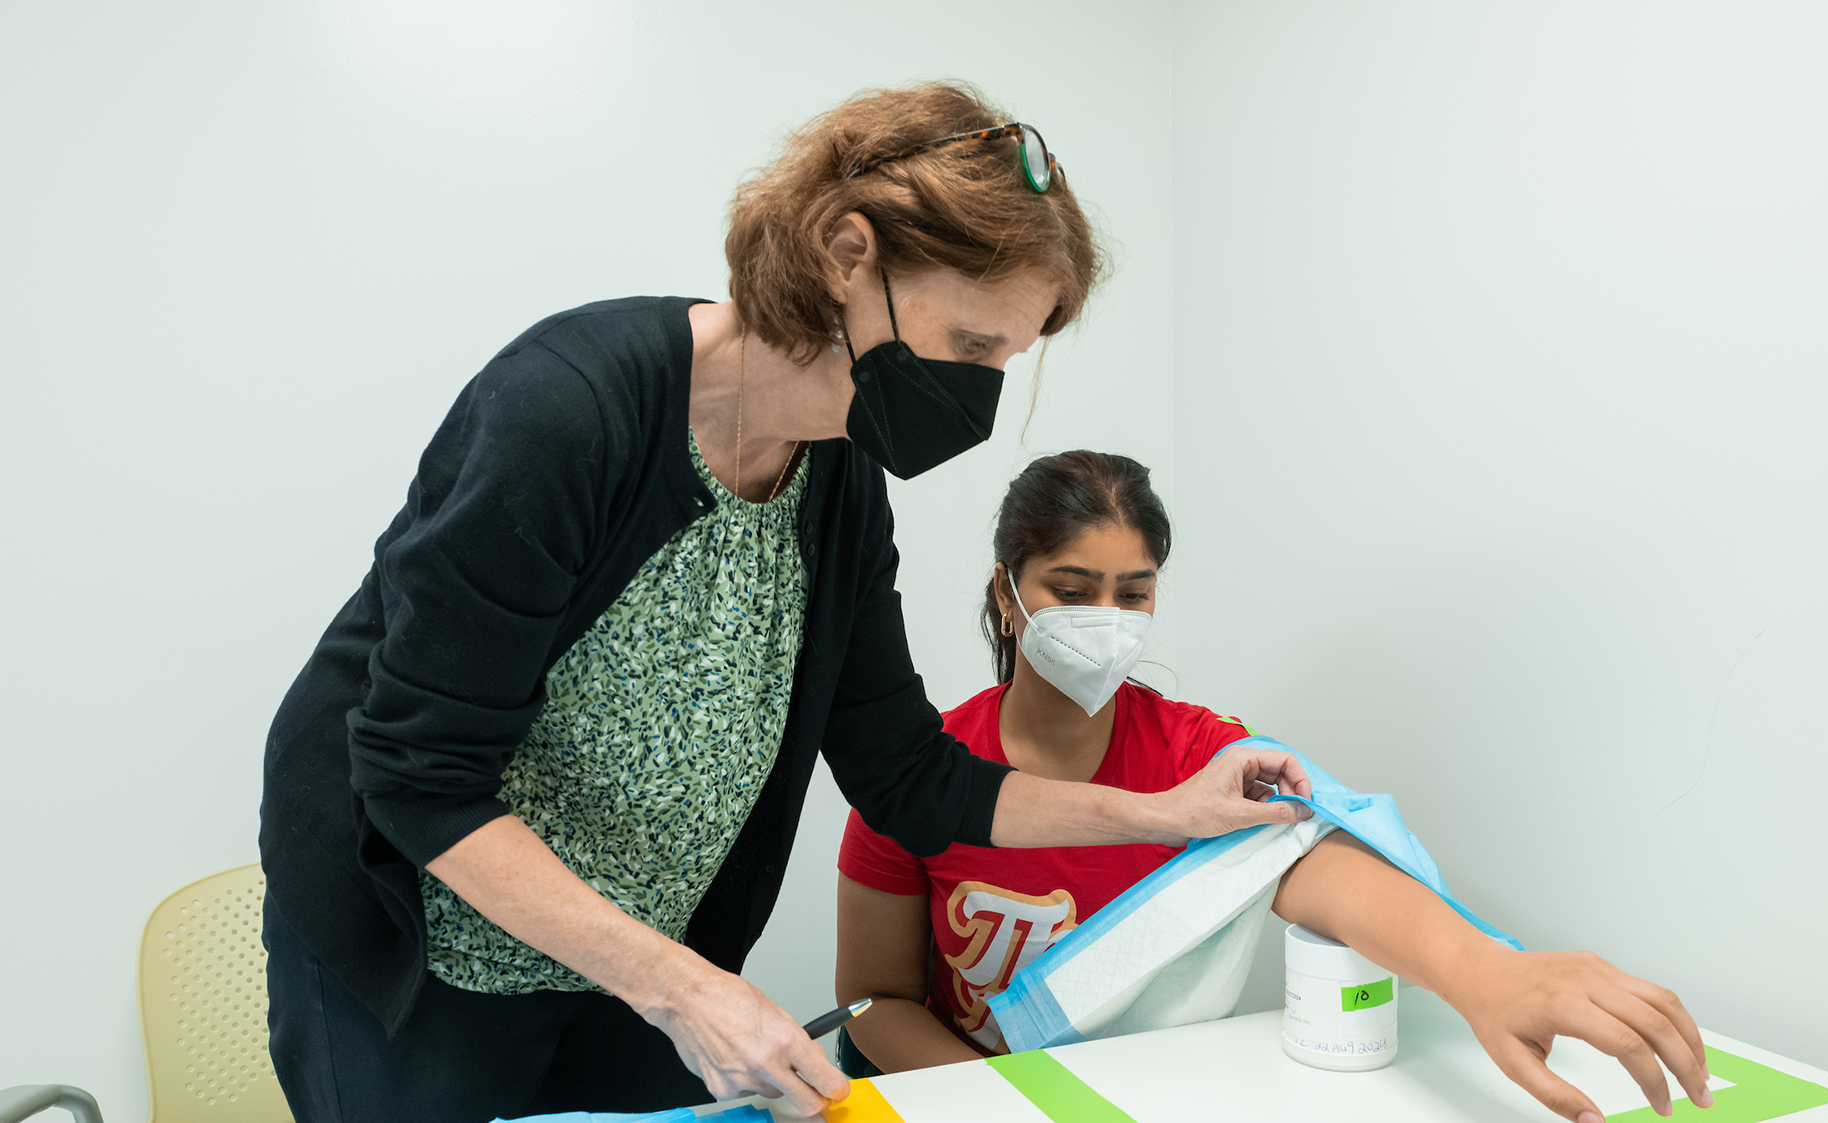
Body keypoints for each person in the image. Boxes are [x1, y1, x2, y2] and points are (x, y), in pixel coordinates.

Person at [256, 84, 1314, 1123]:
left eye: (1005, 358)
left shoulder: (840, 483)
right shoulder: (568, 410)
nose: (981, 391)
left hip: (640, 959)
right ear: (847, 255)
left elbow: (907, 776)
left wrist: (1170, 813)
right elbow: (416, 770)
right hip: (427, 949)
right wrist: (687, 990)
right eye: (973, 345)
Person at [835, 451, 1715, 1123]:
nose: (1104, 619)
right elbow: (874, 999)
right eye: (1071, 590)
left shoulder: (1196, 752)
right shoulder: (923, 771)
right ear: (1006, 592)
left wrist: (1486, 971)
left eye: (1133, 594)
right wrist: (1011, 1105)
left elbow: (1311, 859)